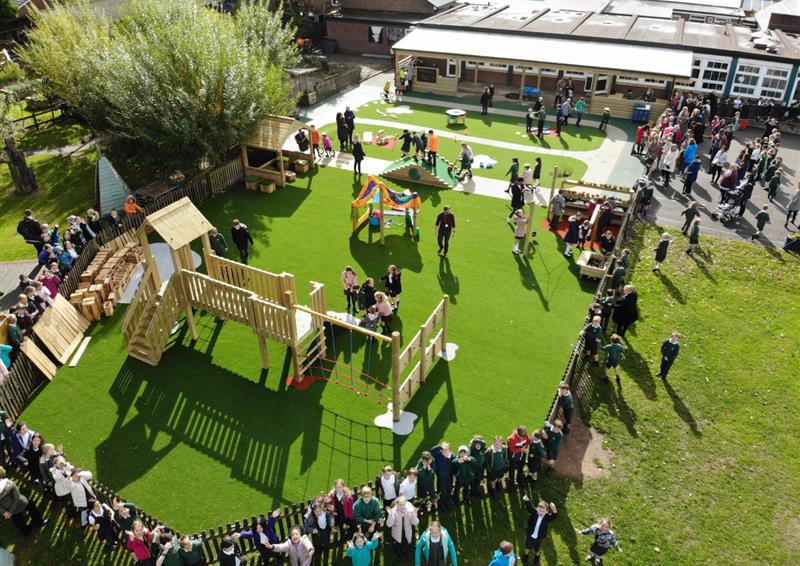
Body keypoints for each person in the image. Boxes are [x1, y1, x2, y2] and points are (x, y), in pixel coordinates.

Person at [0, 466, 46, 536]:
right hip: (21, 503)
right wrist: (10, 512)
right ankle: (38, 522)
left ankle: (26, 532)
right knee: (31, 505)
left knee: (18, 520)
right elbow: (17, 497)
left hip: (8, 508)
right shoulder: (9, 483)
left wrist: (6, 512)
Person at [522, 496, 557, 566]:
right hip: (530, 534)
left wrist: (554, 509)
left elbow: (554, 516)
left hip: (539, 537)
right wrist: (527, 500)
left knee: (537, 548)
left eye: (543, 511)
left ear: (547, 511)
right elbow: (530, 508)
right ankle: (525, 556)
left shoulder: (547, 517)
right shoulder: (534, 512)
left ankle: (537, 557)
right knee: (527, 546)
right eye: (539, 510)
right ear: (537, 509)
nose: (540, 512)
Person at [431, 442, 453, 509]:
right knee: (443, 492)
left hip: (449, 477)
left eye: (447, 449)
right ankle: (441, 504)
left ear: (449, 450)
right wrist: (441, 446)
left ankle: (447, 502)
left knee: (449, 490)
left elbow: (456, 462)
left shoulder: (451, 456)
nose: (445, 451)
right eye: (444, 449)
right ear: (441, 450)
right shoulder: (438, 456)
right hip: (441, 478)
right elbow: (432, 450)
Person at [469, 434, 486, 498]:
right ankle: (472, 492)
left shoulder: (482, 449)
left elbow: (484, 443)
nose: (478, 445)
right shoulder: (473, 449)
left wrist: (479, 442)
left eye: (480, 444)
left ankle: (477, 489)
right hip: (473, 468)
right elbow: (474, 442)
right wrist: (475, 441)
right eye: (477, 444)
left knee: (478, 479)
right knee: (473, 480)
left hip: (480, 468)